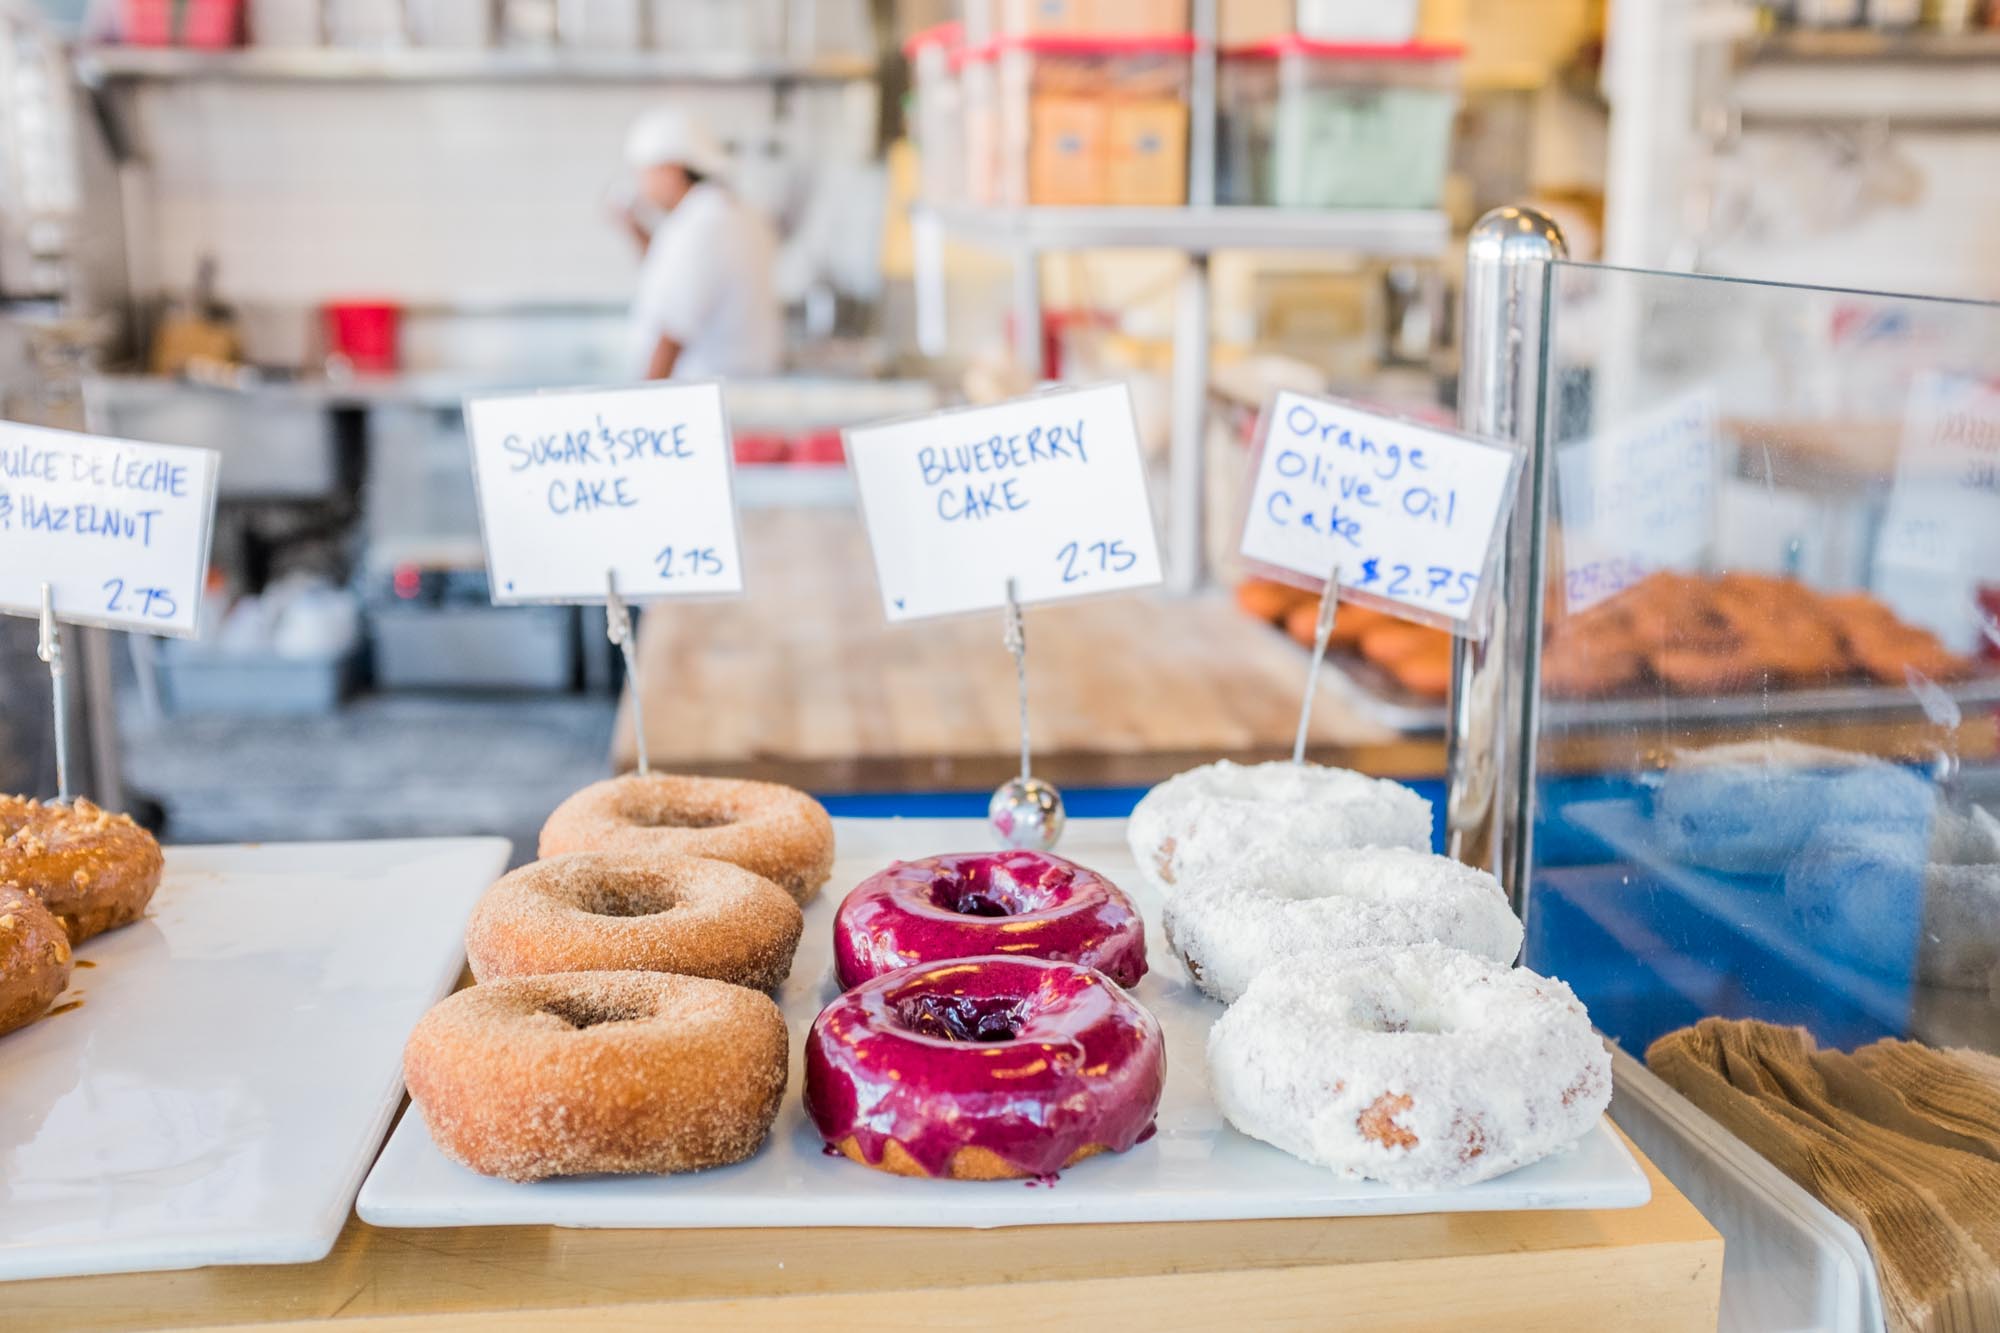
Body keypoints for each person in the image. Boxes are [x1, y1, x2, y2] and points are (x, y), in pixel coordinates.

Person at [617, 108, 782, 382]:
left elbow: (673, 328)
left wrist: (644, 401)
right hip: (734, 387)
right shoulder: (730, 212)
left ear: (671, 170)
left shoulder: (701, 223)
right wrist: (634, 229)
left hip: (703, 391)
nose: (641, 187)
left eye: (644, 174)